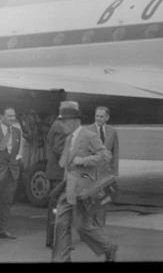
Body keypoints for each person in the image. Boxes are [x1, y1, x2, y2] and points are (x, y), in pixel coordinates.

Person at [52, 101, 118, 262]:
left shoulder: (88, 135)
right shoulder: (69, 138)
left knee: (83, 227)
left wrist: (84, 160)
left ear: (74, 121)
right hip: (68, 190)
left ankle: (108, 247)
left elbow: (105, 155)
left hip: (84, 191)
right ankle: (62, 259)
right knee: (61, 224)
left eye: (64, 122)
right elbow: (64, 163)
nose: (62, 125)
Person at [0, 107, 23, 240]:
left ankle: (3, 229)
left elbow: (14, 153)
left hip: (11, 172)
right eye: (9, 116)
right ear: (1, 117)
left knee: (7, 201)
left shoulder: (17, 132)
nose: (12, 118)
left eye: (14, 116)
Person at [87, 106, 119, 227]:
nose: (98, 119)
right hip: (91, 173)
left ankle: (99, 229)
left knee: (103, 201)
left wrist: (114, 172)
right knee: (89, 202)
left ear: (107, 117)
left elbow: (115, 152)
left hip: (105, 173)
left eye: (101, 116)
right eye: (97, 116)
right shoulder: (87, 130)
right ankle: (88, 230)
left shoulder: (112, 131)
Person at [45, 108, 71, 248]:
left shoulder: (57, 123)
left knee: (56, 207)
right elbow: (59, 149)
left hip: (55, 172)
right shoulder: (62, 126)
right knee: (58, 208)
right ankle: (56, 240)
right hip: (59, 173)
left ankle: (52, 239)